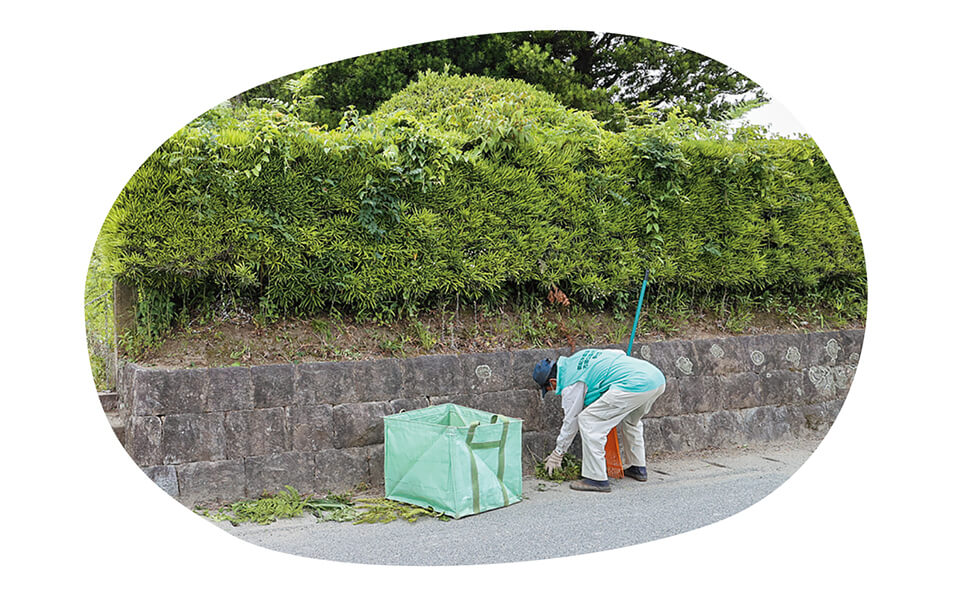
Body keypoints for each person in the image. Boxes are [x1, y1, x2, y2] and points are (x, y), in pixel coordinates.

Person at [533, 348, 666, 492]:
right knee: (631, 420)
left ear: (553, 382)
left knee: (588, 420)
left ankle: (596, 478)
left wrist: (558, 454)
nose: (553, 391)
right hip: (655, 378)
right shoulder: (577, 357)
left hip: (634, 384)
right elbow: (619, 353)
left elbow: (571, 421)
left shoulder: (571, 384)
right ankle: (637, 467)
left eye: (549, 388)